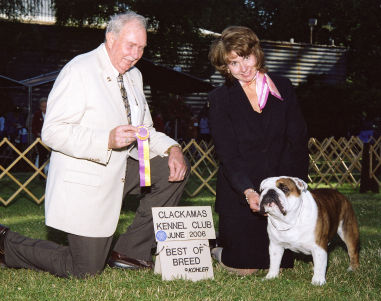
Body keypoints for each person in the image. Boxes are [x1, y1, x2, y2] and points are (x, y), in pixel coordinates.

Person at [0, 11, 189, 278]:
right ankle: (6, 243)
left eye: (142, 48)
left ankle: (130, 251)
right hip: (87, 181)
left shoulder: (135, 76)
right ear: (110, 39)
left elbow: (145, 130)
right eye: (131, 45)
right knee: (84, 270)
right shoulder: (79, 69)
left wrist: (174, 149)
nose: (136, 54)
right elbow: (52, 132)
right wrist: (106, 140)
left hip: (124, 170)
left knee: (172, 171)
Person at [207, 26, 309, 275]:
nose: (243, 68)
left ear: (257, 53)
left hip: (279, 192)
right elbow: (227, 154)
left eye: (246, 57)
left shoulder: (283, 87)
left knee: (280, 267)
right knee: (246, 270)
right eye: (233, 62)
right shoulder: (220, 99)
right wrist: (249, 191)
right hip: (241, 194)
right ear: (225, 67)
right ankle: (217, 250)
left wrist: (294, 186)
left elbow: (297, 139)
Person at [32, 97, 50, 173]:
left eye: (46, 107)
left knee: (52, 157)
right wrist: (37, 134)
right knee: (41, 156)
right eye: (43, 107)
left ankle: (50, 174)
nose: (44, 109)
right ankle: (41, 174)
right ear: (40, 107)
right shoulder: (37, 114)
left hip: (51, 139)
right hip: (40, 140)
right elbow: (33, 127)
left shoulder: (52, 114)